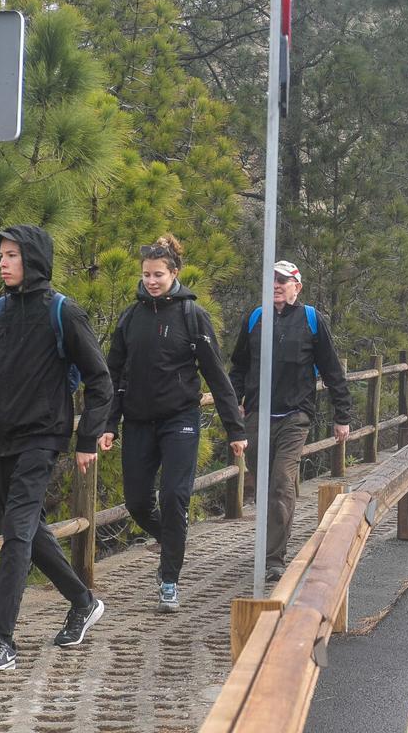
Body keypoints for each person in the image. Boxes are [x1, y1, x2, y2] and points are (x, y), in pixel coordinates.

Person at [0, 225, 113, 672]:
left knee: (15, 533)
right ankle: (83, 602)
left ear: (34, 260)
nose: (3, 262)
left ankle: (2, 640)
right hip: (2, 441)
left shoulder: (63, 312)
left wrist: (86, 439)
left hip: (43, 439)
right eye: (1, 255)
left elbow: (100, 380)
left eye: (12, 255)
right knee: (27, 530)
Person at [99, 235, 247, 613]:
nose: (151, 281)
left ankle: (169, 580)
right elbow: (113, 375)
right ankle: (172, 539)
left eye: (159, 275)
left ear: (174, 274)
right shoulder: (130, 317)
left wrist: (235, 430)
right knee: (136, 502)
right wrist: (108, 424)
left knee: (174, 497)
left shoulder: (192, 315)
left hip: (180, 419)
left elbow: (216, 374)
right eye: (147, 274)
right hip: (138, 421)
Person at [229, 260, 353, 582]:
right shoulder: (255, 319)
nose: (276, 286)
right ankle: (269, 544)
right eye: (271, 281)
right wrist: (235, 406)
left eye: (283, 281)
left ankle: (273, 559)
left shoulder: (312, 320)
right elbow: (238, 367)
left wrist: (342, 416)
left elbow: (332, 370)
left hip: (295, 415)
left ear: (297, 286)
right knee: (266, 485)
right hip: (258, 415)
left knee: (282, 482)